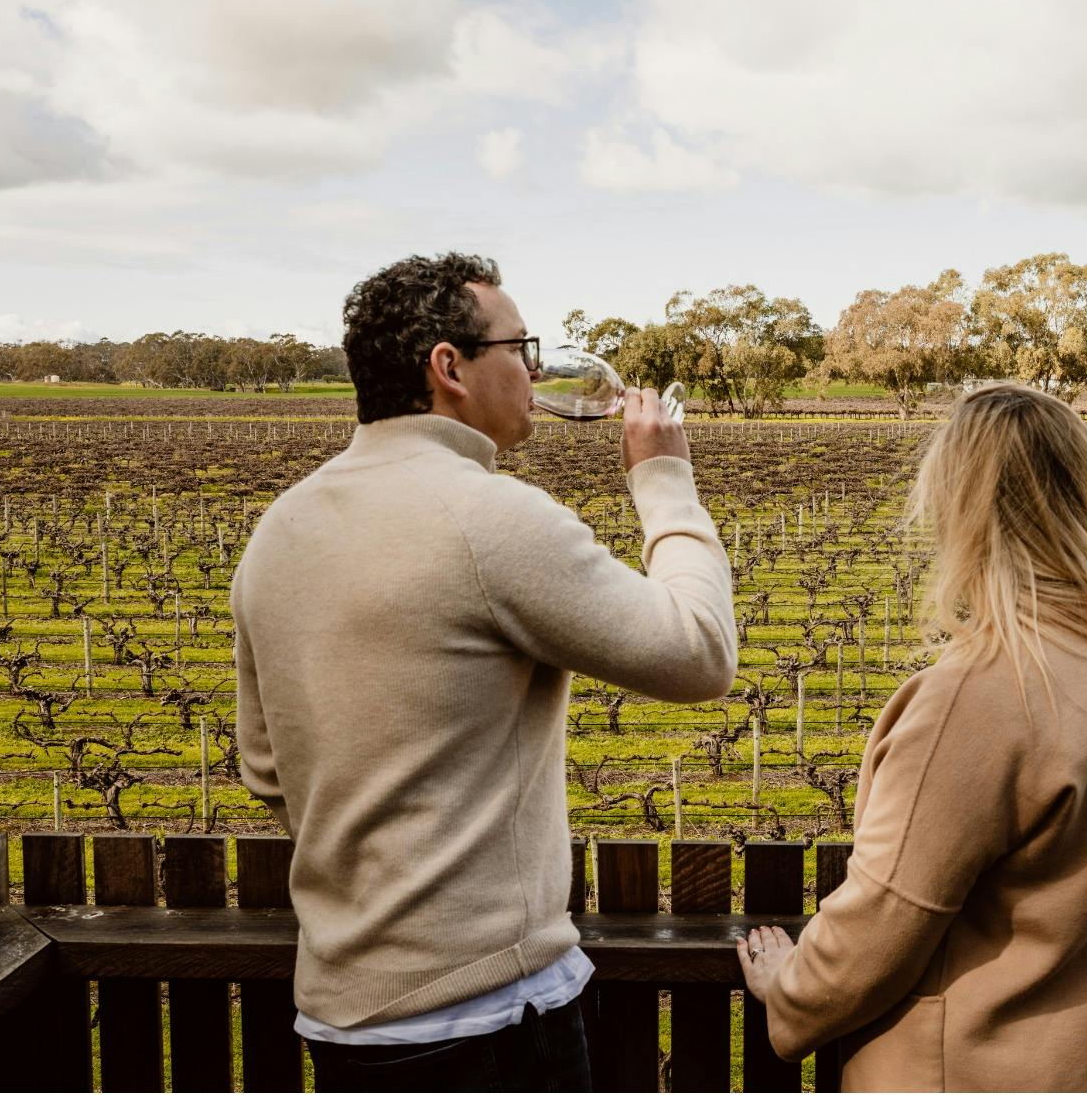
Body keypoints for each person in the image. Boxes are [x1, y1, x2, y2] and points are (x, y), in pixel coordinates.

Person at [232, 252, 737, 1092]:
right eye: (520, 348)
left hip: (341, 1019)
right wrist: (665, 480)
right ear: (449, 367)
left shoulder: (280, 527)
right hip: (492, 1020)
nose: (536, 371)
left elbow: (265, 770)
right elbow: (699, 652)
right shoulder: (489, 518)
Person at [736, 382, 1087, 1092]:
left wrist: (792, 988)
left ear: (958, 503)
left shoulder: (985, 690)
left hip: (979, 1076)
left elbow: (887, 916)